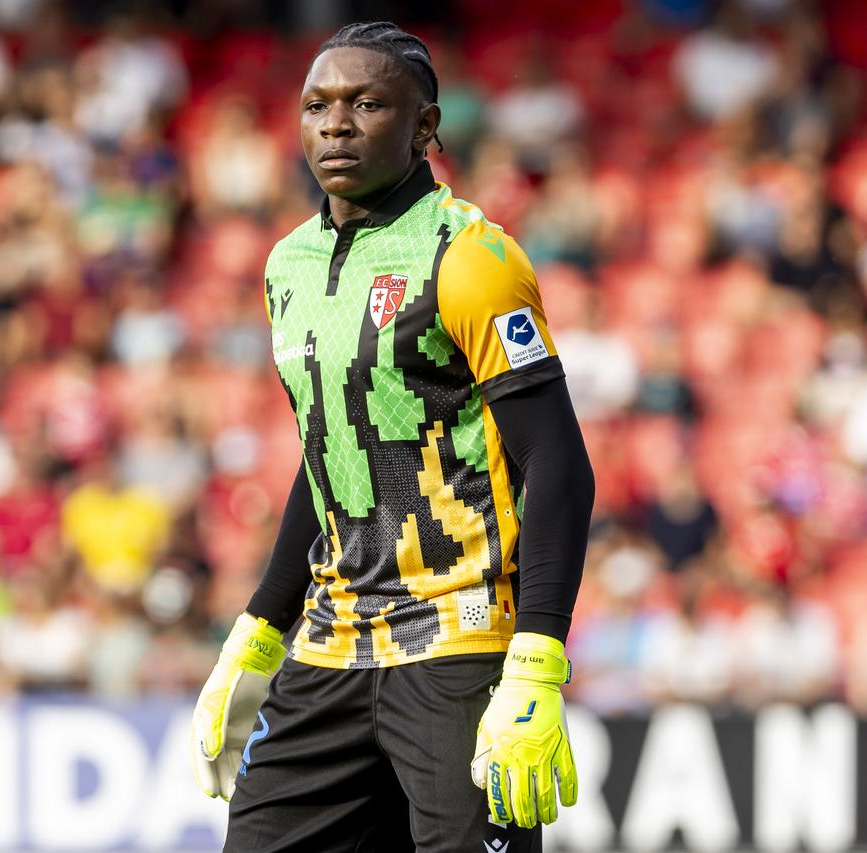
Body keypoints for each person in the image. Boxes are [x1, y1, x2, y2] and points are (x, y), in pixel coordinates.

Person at [190, 21, 595, 852]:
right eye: (317, 105)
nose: (336, 123)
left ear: (424, 128)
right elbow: (333, 455)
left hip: (459, 645)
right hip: (331, 651)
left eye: (367, 103)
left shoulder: (471, 256)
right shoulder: (286, 267)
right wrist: (260, 629)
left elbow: (557, 463)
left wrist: (538, 656)